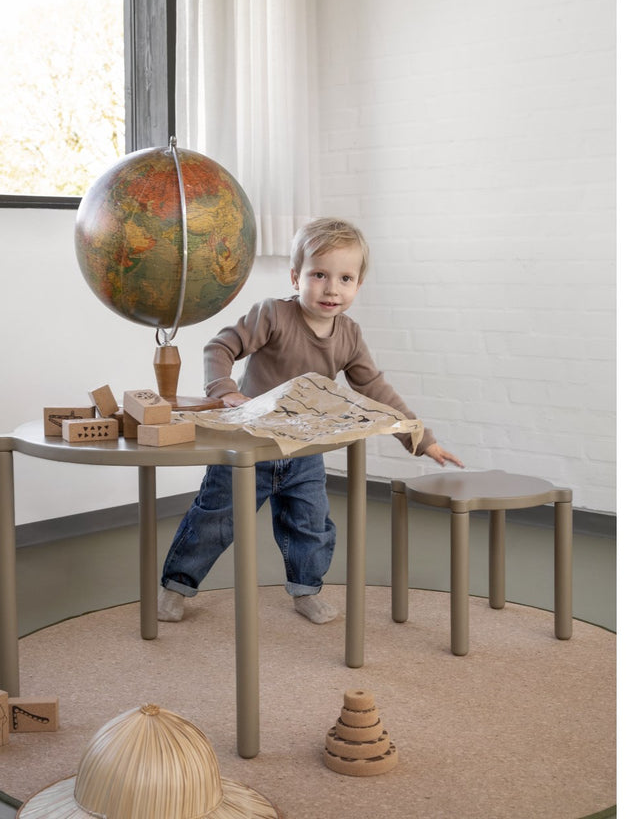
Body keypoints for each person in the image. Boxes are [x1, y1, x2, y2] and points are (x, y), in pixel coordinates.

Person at [158, 217, 464, 625]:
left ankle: (306, 591)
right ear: (295, 277)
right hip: (249, 446)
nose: (331, 288)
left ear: (358, 285)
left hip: (304, 450)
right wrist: (224, 390)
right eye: (319, 275)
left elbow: (375, 388)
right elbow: (220, 347)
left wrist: (420, 438)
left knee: (311, 525)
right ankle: (176, 587)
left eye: (345, 278)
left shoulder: (349, 335)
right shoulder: (272, 315)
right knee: (215, 520)